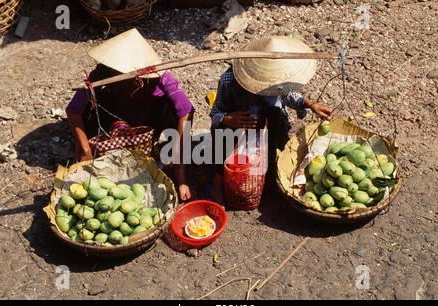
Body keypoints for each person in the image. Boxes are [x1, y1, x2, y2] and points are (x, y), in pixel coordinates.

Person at [66, 28, 193, 201]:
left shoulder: (159, 74)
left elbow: (185, 110)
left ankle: (161, 152)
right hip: (115, 116)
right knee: (91, 106)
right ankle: (98, 145)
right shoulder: (104, 72)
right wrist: (85, 150)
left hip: (150, 119)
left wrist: (181, 166)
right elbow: (73, 110)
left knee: (179, 110)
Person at [209, 36, 332, 203]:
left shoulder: (277, 77)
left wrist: (309, 104)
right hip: (241, 125)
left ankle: (275, 170)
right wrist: (227, 118)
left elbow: (289, 95)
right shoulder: (229, 80)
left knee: (278, 120)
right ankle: (218, 178)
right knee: (221, 133)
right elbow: (215, 112)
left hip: (268, 122)